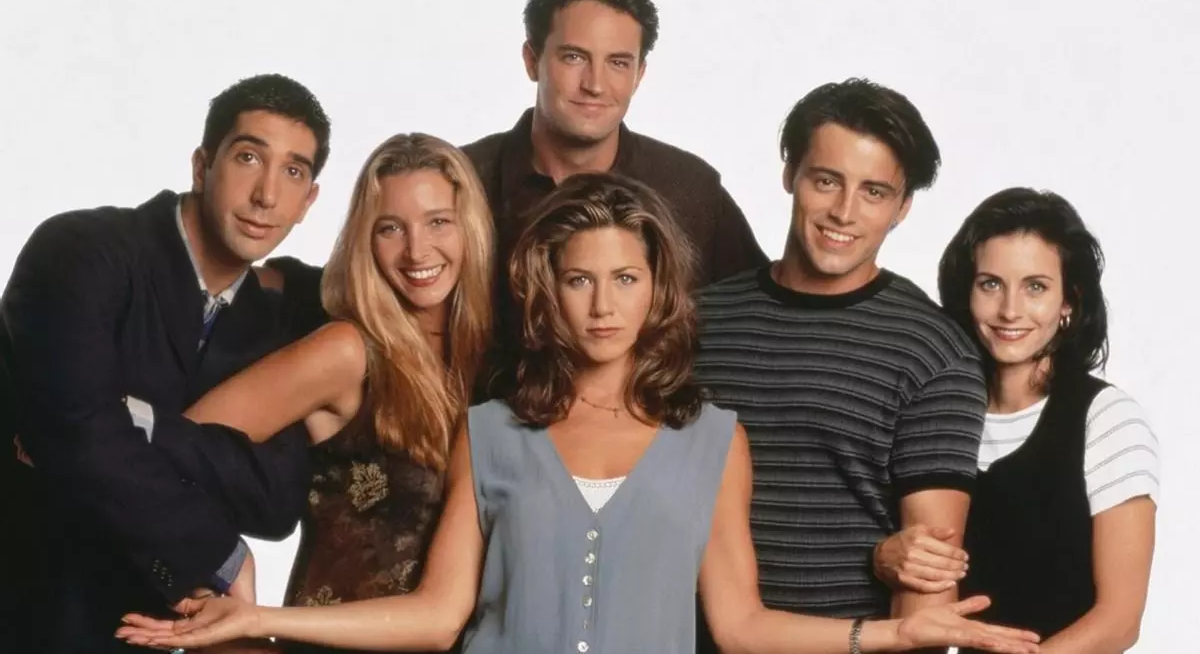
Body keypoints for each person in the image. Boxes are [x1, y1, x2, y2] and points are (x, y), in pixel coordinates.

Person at [115, 173, 1040, 654]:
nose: (603, 305)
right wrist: (260, 621)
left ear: (658, 291)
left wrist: (894, 632)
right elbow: (436, 614)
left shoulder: (715, 441)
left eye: (626, 279)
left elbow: (742, 625)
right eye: (579, 280)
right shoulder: (491, 431)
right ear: (545, 290)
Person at [0, 73, 331, 653]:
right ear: (202, 166)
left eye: (294, 172)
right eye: (249, 157)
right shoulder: (81, 251)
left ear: (309, 202)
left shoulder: (277, 322)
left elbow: (276, 498)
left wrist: (135, 419)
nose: (267, 195)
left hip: (139, 631)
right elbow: (77, 432)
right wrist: (222, 553)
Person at [151, 133, 494, 654]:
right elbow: (166, 454)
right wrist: (220, 573)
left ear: (470, 227)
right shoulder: (348, 352)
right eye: (390, 228)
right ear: (365, 240)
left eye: (438, 222)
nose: (417, 249)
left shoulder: (490, 364)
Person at [693, 79, 987, 640]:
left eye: (874, 192)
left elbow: (928, 578)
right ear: (790, 174)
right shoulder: (695, 321)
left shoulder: (933, 351)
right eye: (826, 181)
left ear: (902, 207)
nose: (844, 212)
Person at [871, 188, 1158, 653]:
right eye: (990, 284)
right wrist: (882, 558)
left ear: (1069, 300)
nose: (1009, 310)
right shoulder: (933, 412)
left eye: (1035, 287)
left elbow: (1119, 620)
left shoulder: (1107, 421)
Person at [462, 0, 767, 396]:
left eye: (618, 63)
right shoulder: (461, 182)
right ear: (532, 60)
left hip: (652, 429)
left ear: (640, 73)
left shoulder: (690, 190)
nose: (595, 84)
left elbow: (761, 313)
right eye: (574, 57)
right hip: (478, 429)